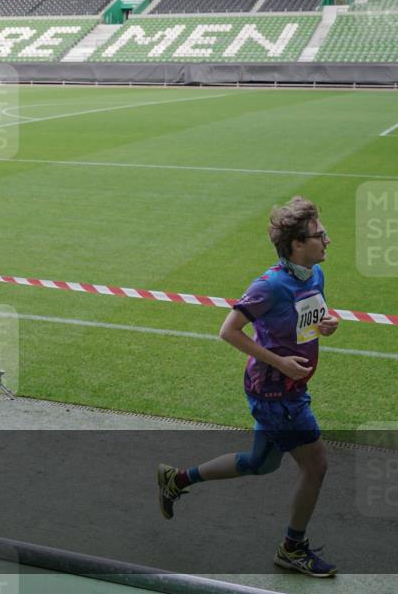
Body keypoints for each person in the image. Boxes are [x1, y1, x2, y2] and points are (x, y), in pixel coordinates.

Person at [157, 196, 339, 578]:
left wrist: (324, 323)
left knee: (260, 463)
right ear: (296, 245)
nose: (327, 240)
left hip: (288, 388)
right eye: (318, 235)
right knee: (317, 465)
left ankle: (177, 479)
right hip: (276, 393)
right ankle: (292, 548)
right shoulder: (269, 285)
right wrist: (281, 363)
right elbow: (228, 331)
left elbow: (305, 316)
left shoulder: (314, 275)